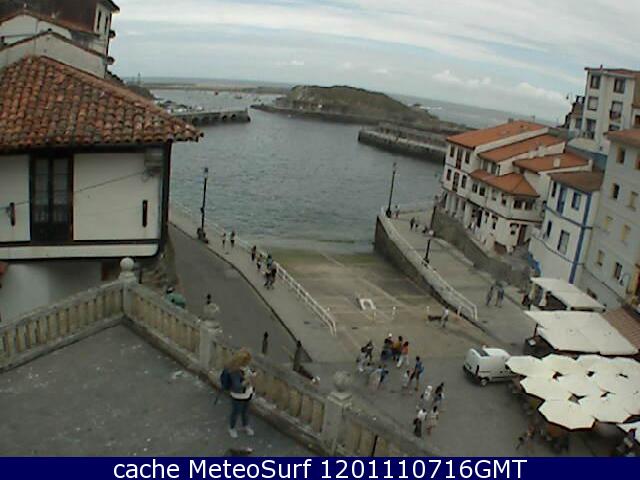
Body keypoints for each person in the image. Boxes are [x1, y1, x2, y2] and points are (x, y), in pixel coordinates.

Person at [226, 349, 256, 439]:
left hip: (247, 394)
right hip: (237, 396)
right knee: (236, 412)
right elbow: (237, 386)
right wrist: (247, 380)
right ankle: (232, 428)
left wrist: (252, 376)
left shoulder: (246, 368)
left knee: (245, 411)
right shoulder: (234, 371)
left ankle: (245, 425)